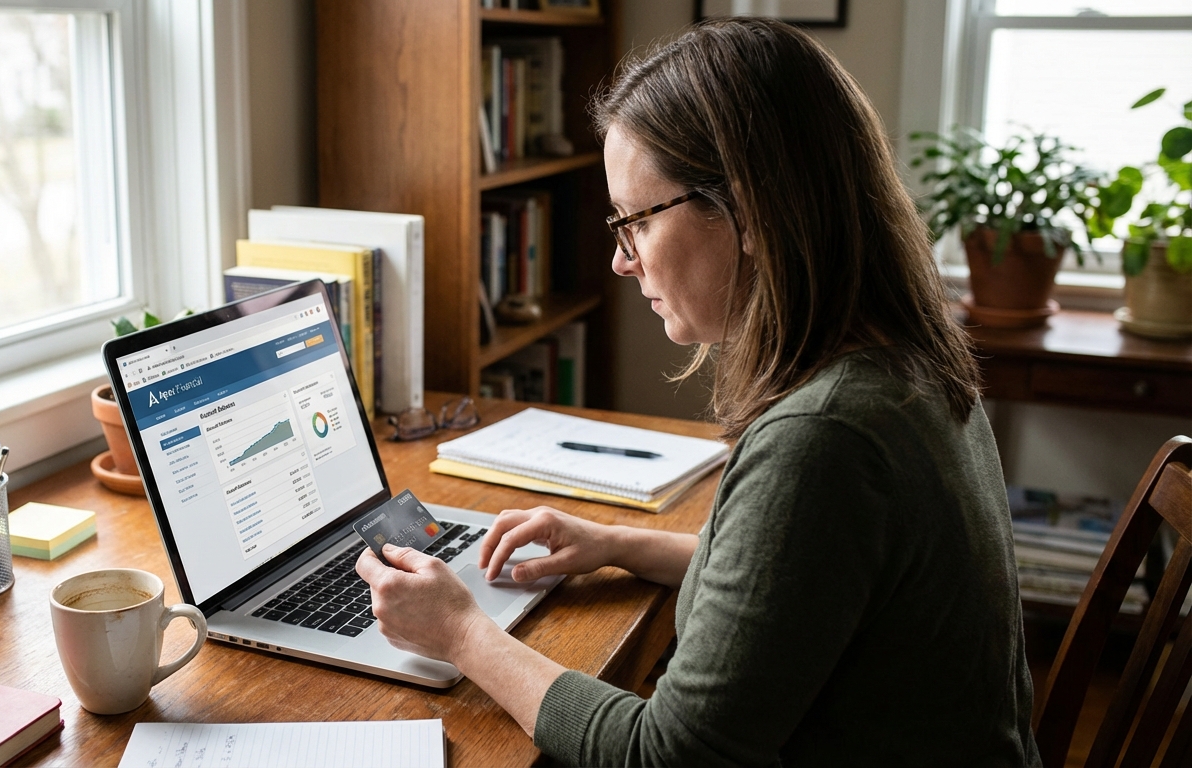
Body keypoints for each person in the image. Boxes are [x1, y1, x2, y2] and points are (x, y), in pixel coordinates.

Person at [356, 17, 1039, 766]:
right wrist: (614, 544)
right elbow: (802, 587)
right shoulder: (901, 360)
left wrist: (462, 635)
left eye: (636, 222)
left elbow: (669, 755)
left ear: (749, 210)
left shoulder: (825, 436)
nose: (622, 261)